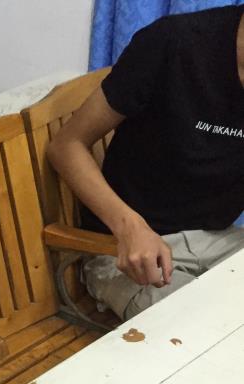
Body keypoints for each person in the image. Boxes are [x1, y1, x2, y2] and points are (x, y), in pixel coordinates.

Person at [48, 5, 244, 320]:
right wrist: (130, 227)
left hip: (216, 239)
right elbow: (66, 146)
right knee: (204, 325)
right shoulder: (175, 42)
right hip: (121, 249)